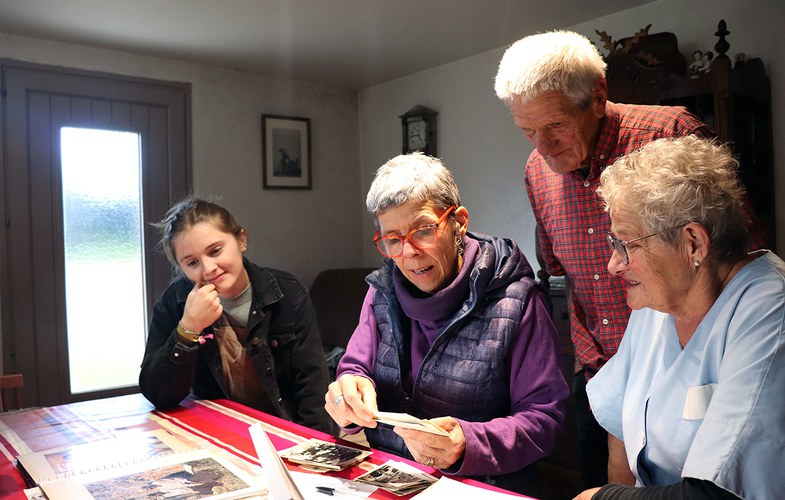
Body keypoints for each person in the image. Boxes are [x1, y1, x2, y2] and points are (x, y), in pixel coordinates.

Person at [493, 29, 767, 488]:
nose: (542, 146)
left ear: (597, 97)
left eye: (556, 125)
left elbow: (739, 254)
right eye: (527, 131)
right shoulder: (536, 172)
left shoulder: (670, 135)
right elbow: (556, 270)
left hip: (688, 377)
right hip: (602, 376)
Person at [324, 153, 569, 496]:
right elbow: (354, 366)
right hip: (391, 479)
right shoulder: (381, 290)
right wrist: (348, 390)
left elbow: (544, 420)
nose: (408, 252)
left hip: (481, 487)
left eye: (423, 231)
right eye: (393, 239)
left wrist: (467, 444)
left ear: (459, 221)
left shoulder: (517, 300)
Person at [573, 136, 785, 499]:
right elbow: (621, 430)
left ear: (693, 245)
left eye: (626, 244)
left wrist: (600, 498)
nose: (614, 265)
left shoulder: (769, 310)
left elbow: (719, 494)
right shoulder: (658, 300)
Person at [140, 196, 334, 434]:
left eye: (215, 251)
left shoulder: (287, 292)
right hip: (216, 432)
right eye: (192, 263)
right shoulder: (175, 302)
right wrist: (188, 328)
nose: (209, 268)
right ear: (182, 268)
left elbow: (313, 388)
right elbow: (158, 395)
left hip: (283, 428)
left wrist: (316, 450)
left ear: (241, 239)